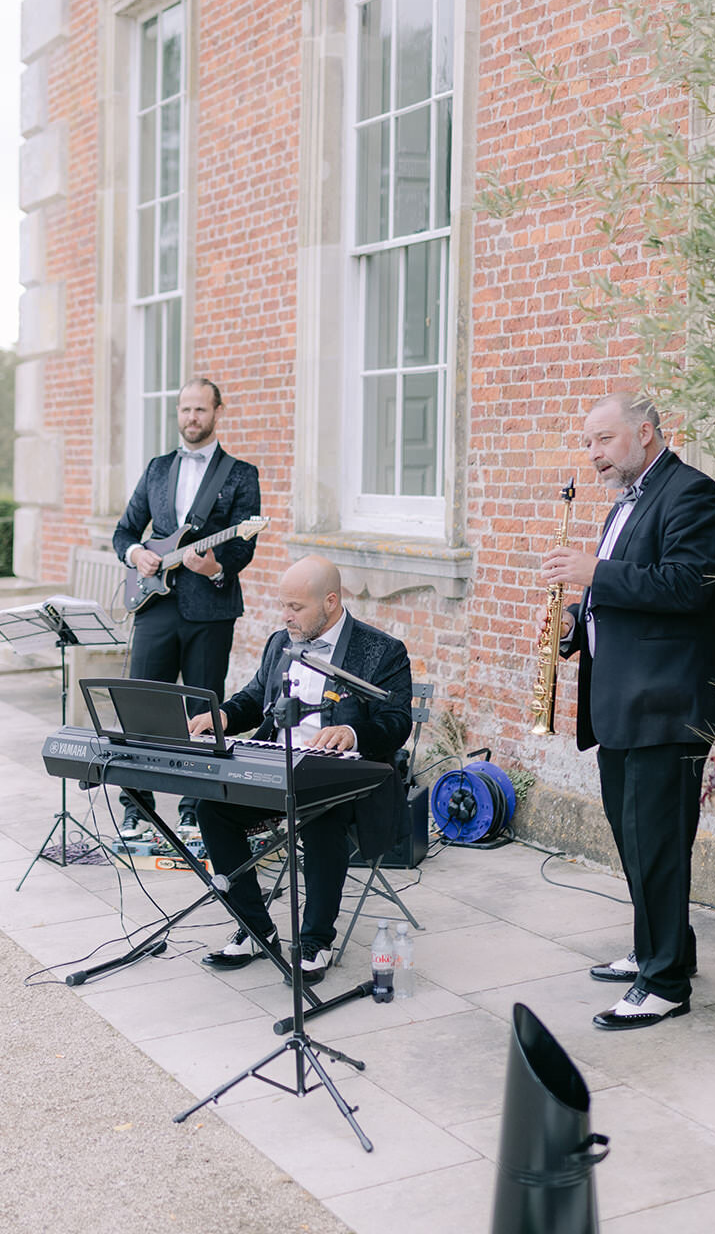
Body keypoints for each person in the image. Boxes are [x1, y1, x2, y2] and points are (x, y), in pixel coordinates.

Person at [540, 391, 715, 1030]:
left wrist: (593, 574)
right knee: (636, 841)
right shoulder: (628, 499)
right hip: (622, 700)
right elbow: (620, 595)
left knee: (657, 846)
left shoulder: (691, 494)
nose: (592, 454)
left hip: (666, 704)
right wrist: (574, 623)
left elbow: (687, 586)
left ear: (645, 433)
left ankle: (666, 982)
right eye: (588, 442)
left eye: (603, 439)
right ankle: (661, 949)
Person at [190, 555, 412, 985]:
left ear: (330, 601)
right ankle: (257, 929)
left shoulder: (381, 650)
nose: (286, 616)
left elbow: (396, 722)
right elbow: (256, 699)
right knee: (211, 809)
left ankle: (315, 941)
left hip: (345, 781)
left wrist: (351, 731)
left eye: (296, 607)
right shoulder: (280, 643)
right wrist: (223, 717)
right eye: (283, 605)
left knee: (321, 816)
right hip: (277, 769)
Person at [112, 377, 261, 835]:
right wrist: (138, 555)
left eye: (200, 410)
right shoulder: (157, 468)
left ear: (218, 412)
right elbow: (124, 532)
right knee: (142, 706)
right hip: (155, 607)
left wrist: (215, 567)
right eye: (184, 410)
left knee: (202, 709)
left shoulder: (240, 473)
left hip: (210, 612)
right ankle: (137, 804)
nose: (191, 418)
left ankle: (196, 808)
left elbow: (244, 546)